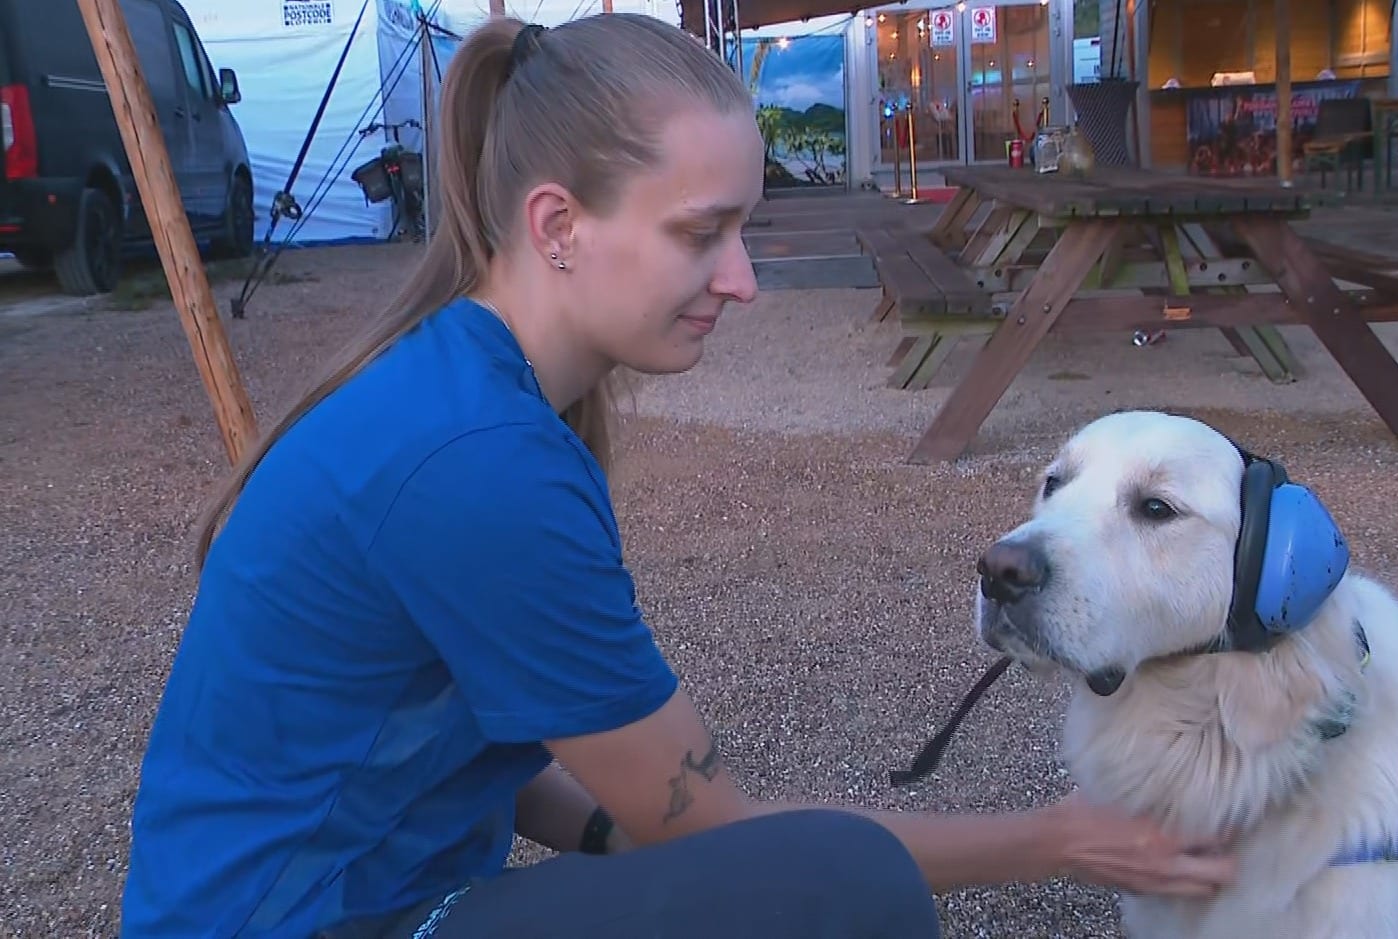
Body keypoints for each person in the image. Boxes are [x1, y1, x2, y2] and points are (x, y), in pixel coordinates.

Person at [119, 14, 1237, 939]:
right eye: (702, 233)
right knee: (843, 893)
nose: (742, 279)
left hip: (352, 899)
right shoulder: (480, 466)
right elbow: (714, 831)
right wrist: (1054, 838)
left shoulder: (462, 395)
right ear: (556, 225)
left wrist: (630, 842)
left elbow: (486, 765)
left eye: (741, 230)